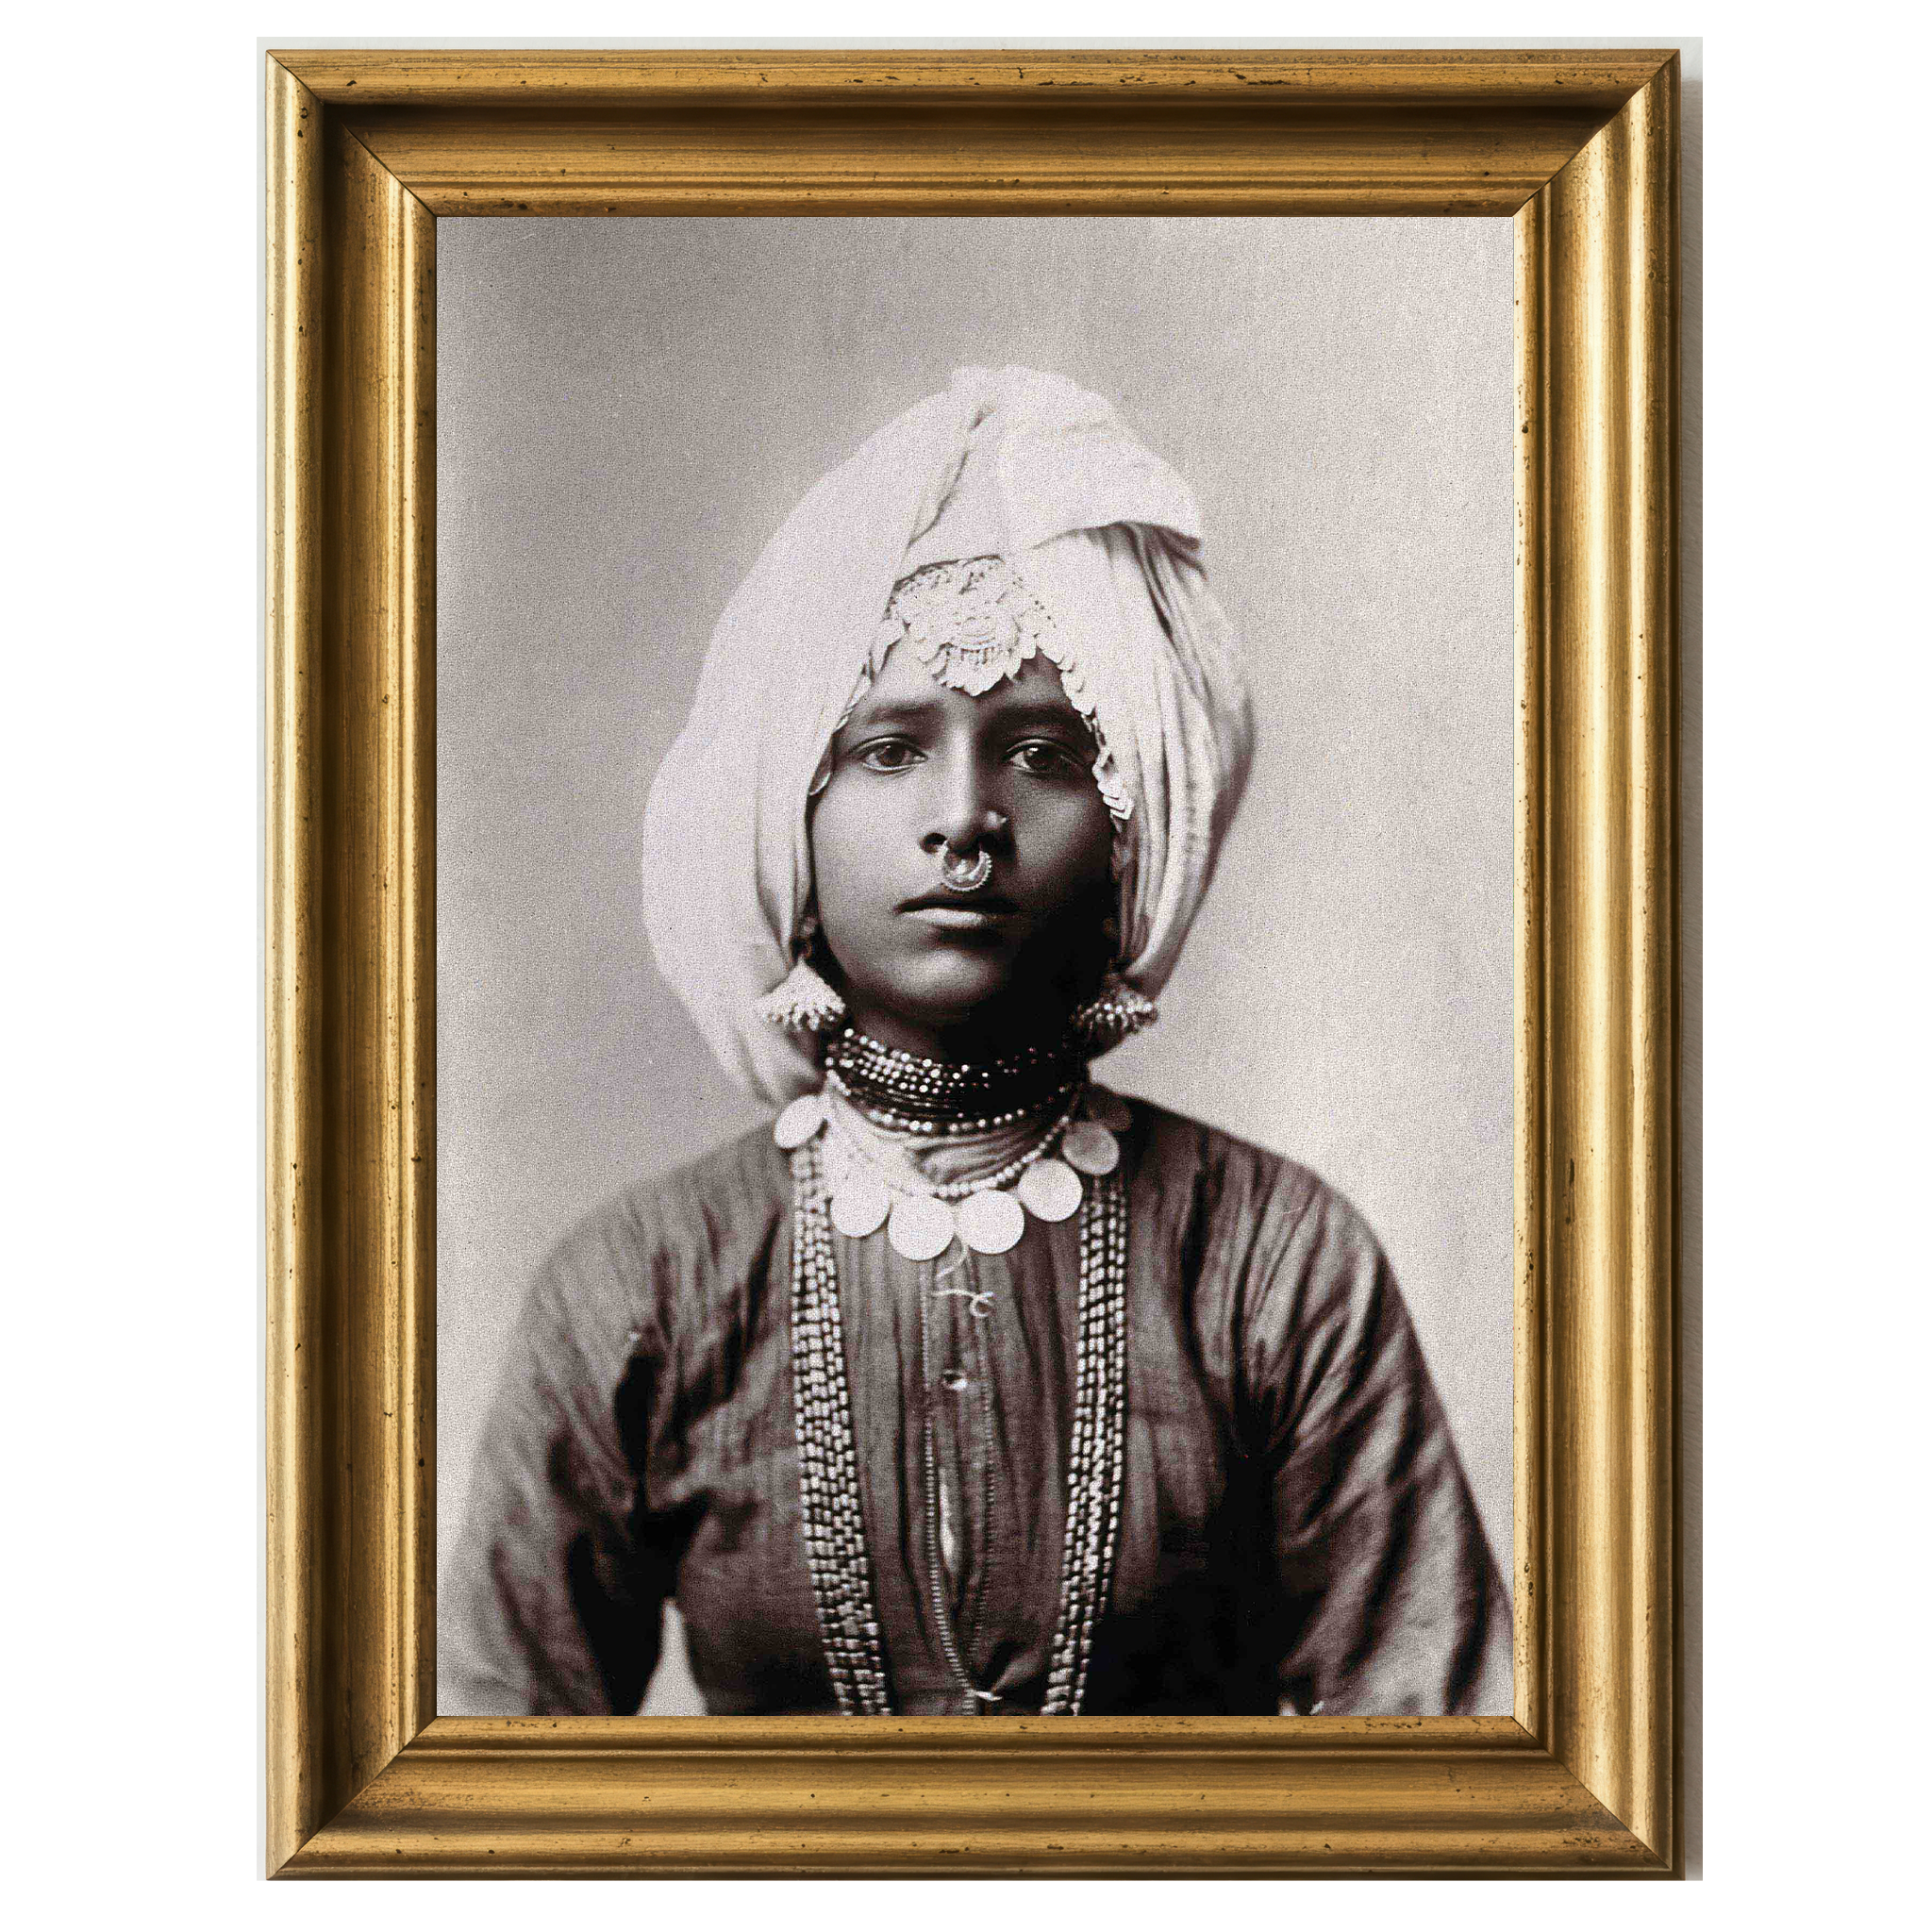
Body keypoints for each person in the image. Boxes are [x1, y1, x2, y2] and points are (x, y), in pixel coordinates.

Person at [442, 366, 1510, 1719]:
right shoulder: (645, 1284)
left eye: (1044, 754)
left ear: (1130, 831)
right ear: (790, 820)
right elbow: (493, 1766)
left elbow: (1444, 1755)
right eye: (889, 751)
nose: (966, 816)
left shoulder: (1274, 1262)